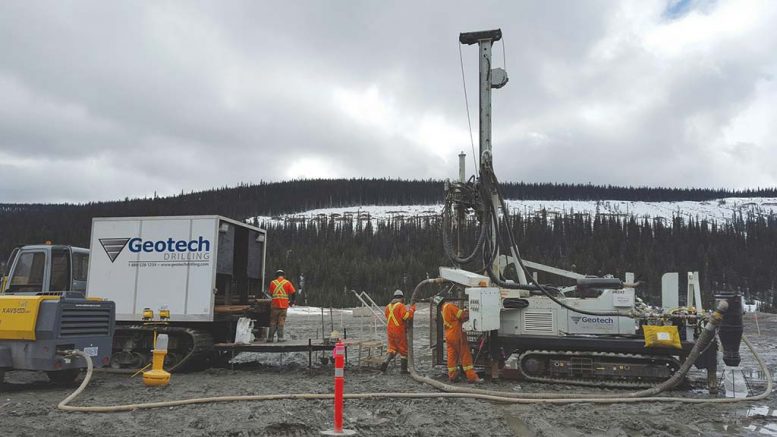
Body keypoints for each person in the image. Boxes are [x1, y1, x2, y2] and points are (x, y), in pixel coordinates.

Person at [442, 301, 482, 383]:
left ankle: (452, 376)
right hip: (457, 334)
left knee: (451, 356)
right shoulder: (449, 306)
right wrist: (471, 312)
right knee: (465, 355)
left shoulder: (443, 308)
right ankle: (472, 377)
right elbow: (462, 315)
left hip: (449, 335)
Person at [380, 289, 415, 374]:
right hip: (398, 331)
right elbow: (406, 316)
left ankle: (385, 362)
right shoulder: (401, 306)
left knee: (392, 348)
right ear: (402, 297)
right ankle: (403, 369)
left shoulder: (388, 306)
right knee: (403, 350)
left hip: (390, 331)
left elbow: (387, 316)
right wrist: (412, 309)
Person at [267, 269, 296, 343]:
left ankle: (270, 338)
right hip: (283, 306)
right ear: (284, 275)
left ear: (276, 276)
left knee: (273, 321)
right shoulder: (287, 282)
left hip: (274, 305)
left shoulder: (272, 282)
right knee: (281, 322)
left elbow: (270, 293)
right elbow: (293, 292)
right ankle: (280, 338)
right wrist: (292, 302)